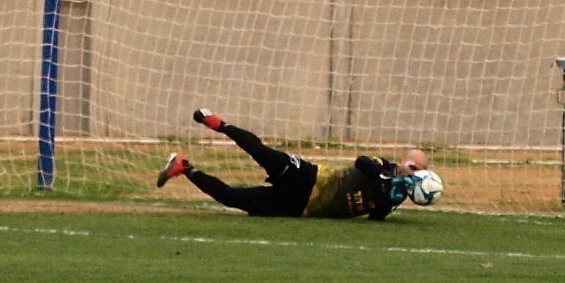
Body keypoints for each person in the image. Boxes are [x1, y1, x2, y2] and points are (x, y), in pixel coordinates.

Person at [157, 108, 440, 221]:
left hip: (299, 208)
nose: (413, 173)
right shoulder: (381, 167)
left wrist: (395, 196)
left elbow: (375, 217)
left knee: (232, 198)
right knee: (261, 151)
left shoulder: (393, 196)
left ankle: (184, 168)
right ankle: (220, 125)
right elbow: (361, 162)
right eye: (413, 167)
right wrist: (388, 181)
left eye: (419, 171)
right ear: (403, 163)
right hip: (308, 178)